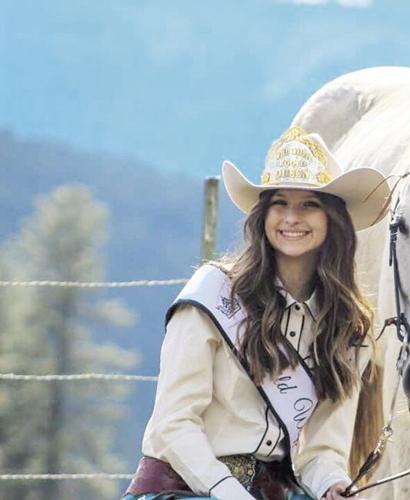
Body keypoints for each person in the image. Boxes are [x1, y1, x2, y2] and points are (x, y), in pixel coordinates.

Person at [123, 126, 391, 500]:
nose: (291, 217)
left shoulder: (348, 328)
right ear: (263, 215)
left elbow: (322, 451)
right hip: (182, 488)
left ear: (334, 219)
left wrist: (331, 482)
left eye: (310, 204)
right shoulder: (212, 294)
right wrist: (228, 492)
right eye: (280, 203)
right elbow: (173, 424)